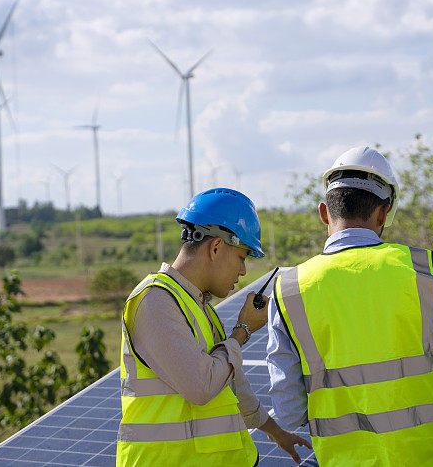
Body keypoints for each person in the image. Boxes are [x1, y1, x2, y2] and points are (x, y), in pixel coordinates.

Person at [266, 147, 433, 467]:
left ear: (324, 213)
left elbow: (289, 410)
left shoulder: (289, 290)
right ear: (383, 213)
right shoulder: (428, 272)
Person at [116, 188, 311, 466]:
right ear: (216, 247)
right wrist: (242, 331)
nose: (243, 271)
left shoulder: (198, 305)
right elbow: (201, 385)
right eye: (242, 257)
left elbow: (230, 386)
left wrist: (276, 432)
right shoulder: (154, 301)